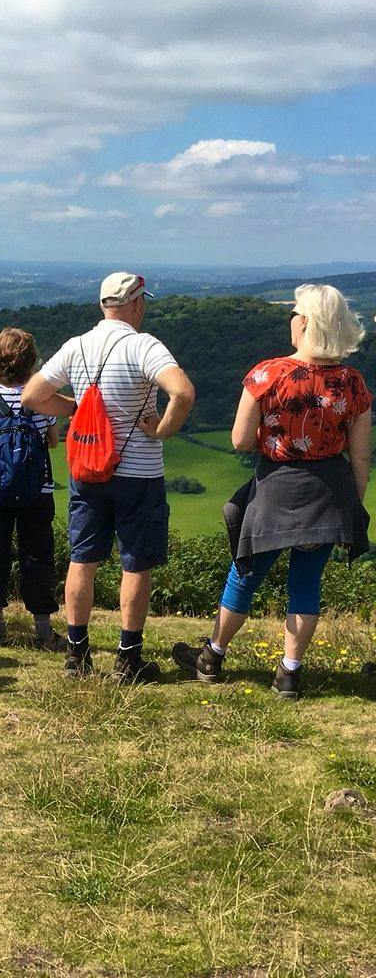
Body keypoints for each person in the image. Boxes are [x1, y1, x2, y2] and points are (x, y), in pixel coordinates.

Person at [173, 284, 371, 700]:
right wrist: (353, 505)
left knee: (245, 574)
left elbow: (240, 441)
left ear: (306, 323)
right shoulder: (352, 383)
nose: (291, 319)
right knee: (306, 584)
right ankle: (289, 674)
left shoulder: (267, 374)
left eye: (295, 313)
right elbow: (360, 457)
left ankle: (212, 657)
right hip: (329, 492)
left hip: (275, 488)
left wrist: (276, 433)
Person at [22, 273, 195, 681]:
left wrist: (77, 407)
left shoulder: (76, 346)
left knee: (82, 559)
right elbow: (183, 392)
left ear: (103, 305)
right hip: (139, 472)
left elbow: (32, 396)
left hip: (87, 468)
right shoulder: (144, 345)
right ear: (135, 303)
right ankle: (128, 659)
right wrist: (163, 430)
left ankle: (77, 655)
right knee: (135, 563)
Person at [0, 328, 65, 650]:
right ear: (31, 361)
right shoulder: (42, 399)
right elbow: (53, 441)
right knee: (37, 555)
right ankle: (43, 630)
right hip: (37, 490)